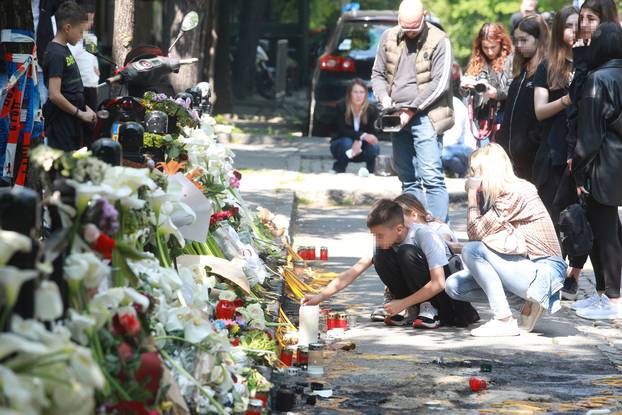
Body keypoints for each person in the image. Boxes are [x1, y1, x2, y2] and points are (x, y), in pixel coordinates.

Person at [445, 143, 567, 337]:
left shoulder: (516, 191)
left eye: (475, 171)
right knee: (454, 286)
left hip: (544, 270)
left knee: (472, 250)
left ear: (489, 170)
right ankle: (526, 303)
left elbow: (476, 234)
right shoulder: (501, 195)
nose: (471, 176)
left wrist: (471, 195)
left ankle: (503, 320)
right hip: (523, 269)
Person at [304, 197, 479, 329]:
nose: (377, 240)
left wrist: (401, 303)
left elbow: (439, 282)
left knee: (406, 252)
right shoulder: (386, 242)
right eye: (374, 235)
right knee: (379, 254)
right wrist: (319, 297)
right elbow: (353, 271)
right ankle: (412, 309)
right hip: (414, 297)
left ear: (399, 229)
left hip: (446, 301)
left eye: (380, 235)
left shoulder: (424, 235)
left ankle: (429, 309)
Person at [371, 0, 454, 220]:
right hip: (396, 115)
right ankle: (414, 227)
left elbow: (440, 84)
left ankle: (438, 230)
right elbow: (377, 74)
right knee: (406, 176)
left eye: (414, 27)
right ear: (398, 19)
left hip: (427, 115)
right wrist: (384, 100)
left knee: (431, 176)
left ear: (424, 16)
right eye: (404, 26)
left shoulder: (440, 40)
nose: (408, 32)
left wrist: (411, 110)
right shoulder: (388, 37)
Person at [563, 0, 620, 301]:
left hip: (598, 156)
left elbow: (590, 116)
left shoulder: (604, 73)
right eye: (581, 17)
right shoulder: (587, 59)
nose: (584, 24)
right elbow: (576, 100)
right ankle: (604, 292)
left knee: (603, 226)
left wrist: (580, 163)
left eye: (591, 18)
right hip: (586, 149)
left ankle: (610, 296)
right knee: (599, 223)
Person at [532, 6, 581, 299]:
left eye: (581, 25)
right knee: (552, 213)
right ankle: (553, 271)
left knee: (582, 217)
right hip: (553, 149)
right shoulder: (549, 66)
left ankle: (574, 275)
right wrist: (567, 99)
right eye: (570, 26)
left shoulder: (596, 63)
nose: (575, 32)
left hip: (585, 150)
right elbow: (539, 111)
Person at [497, 15, 549, 183]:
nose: (519, 46)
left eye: (524, 40)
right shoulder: (521, 72)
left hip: (532, 157)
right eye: (517, 40)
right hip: (511, 156)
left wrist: (531, 142)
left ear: (539, 40)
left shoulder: (547, 70)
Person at [42, 0, 96, 151]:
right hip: (61, 122)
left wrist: (85, 108)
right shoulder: (55, 53)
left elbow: (70, 89)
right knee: (63, 166)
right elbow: (54, 94)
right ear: (67, 28)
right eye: (80, 31)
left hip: (72, 118)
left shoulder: (64, 49)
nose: (81, 36)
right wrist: (80, 113)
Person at [461, 23, 513, 144]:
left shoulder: (511, 59)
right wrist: (464, 87)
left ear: (501, 42)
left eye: (493, 47)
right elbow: (466, 93)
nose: (489, 52)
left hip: (502, 116)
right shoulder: (477, 59)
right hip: (481, 117)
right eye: (485, 47)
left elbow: (513, 90)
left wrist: (496, 94)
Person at [330, 79, 380, 174]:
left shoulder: (372, 109)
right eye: (355, 92)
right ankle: (339, 168)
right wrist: (362, 136)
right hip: (342, 146)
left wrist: (359, 141)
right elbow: (342, 130)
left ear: (365, 94)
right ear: (350, 94)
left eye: (362, 92)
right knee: (346, 142)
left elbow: (373, 133)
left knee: (374, 145)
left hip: (362, 147)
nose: (359, 95)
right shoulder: (341, 106)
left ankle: (371, 171)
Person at [441, 96, 477, 177]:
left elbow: (454, 136)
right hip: (453, 148)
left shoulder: (454, 103)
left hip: (466, 147)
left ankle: (465, 170)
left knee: (441, 153)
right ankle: (453, 170)